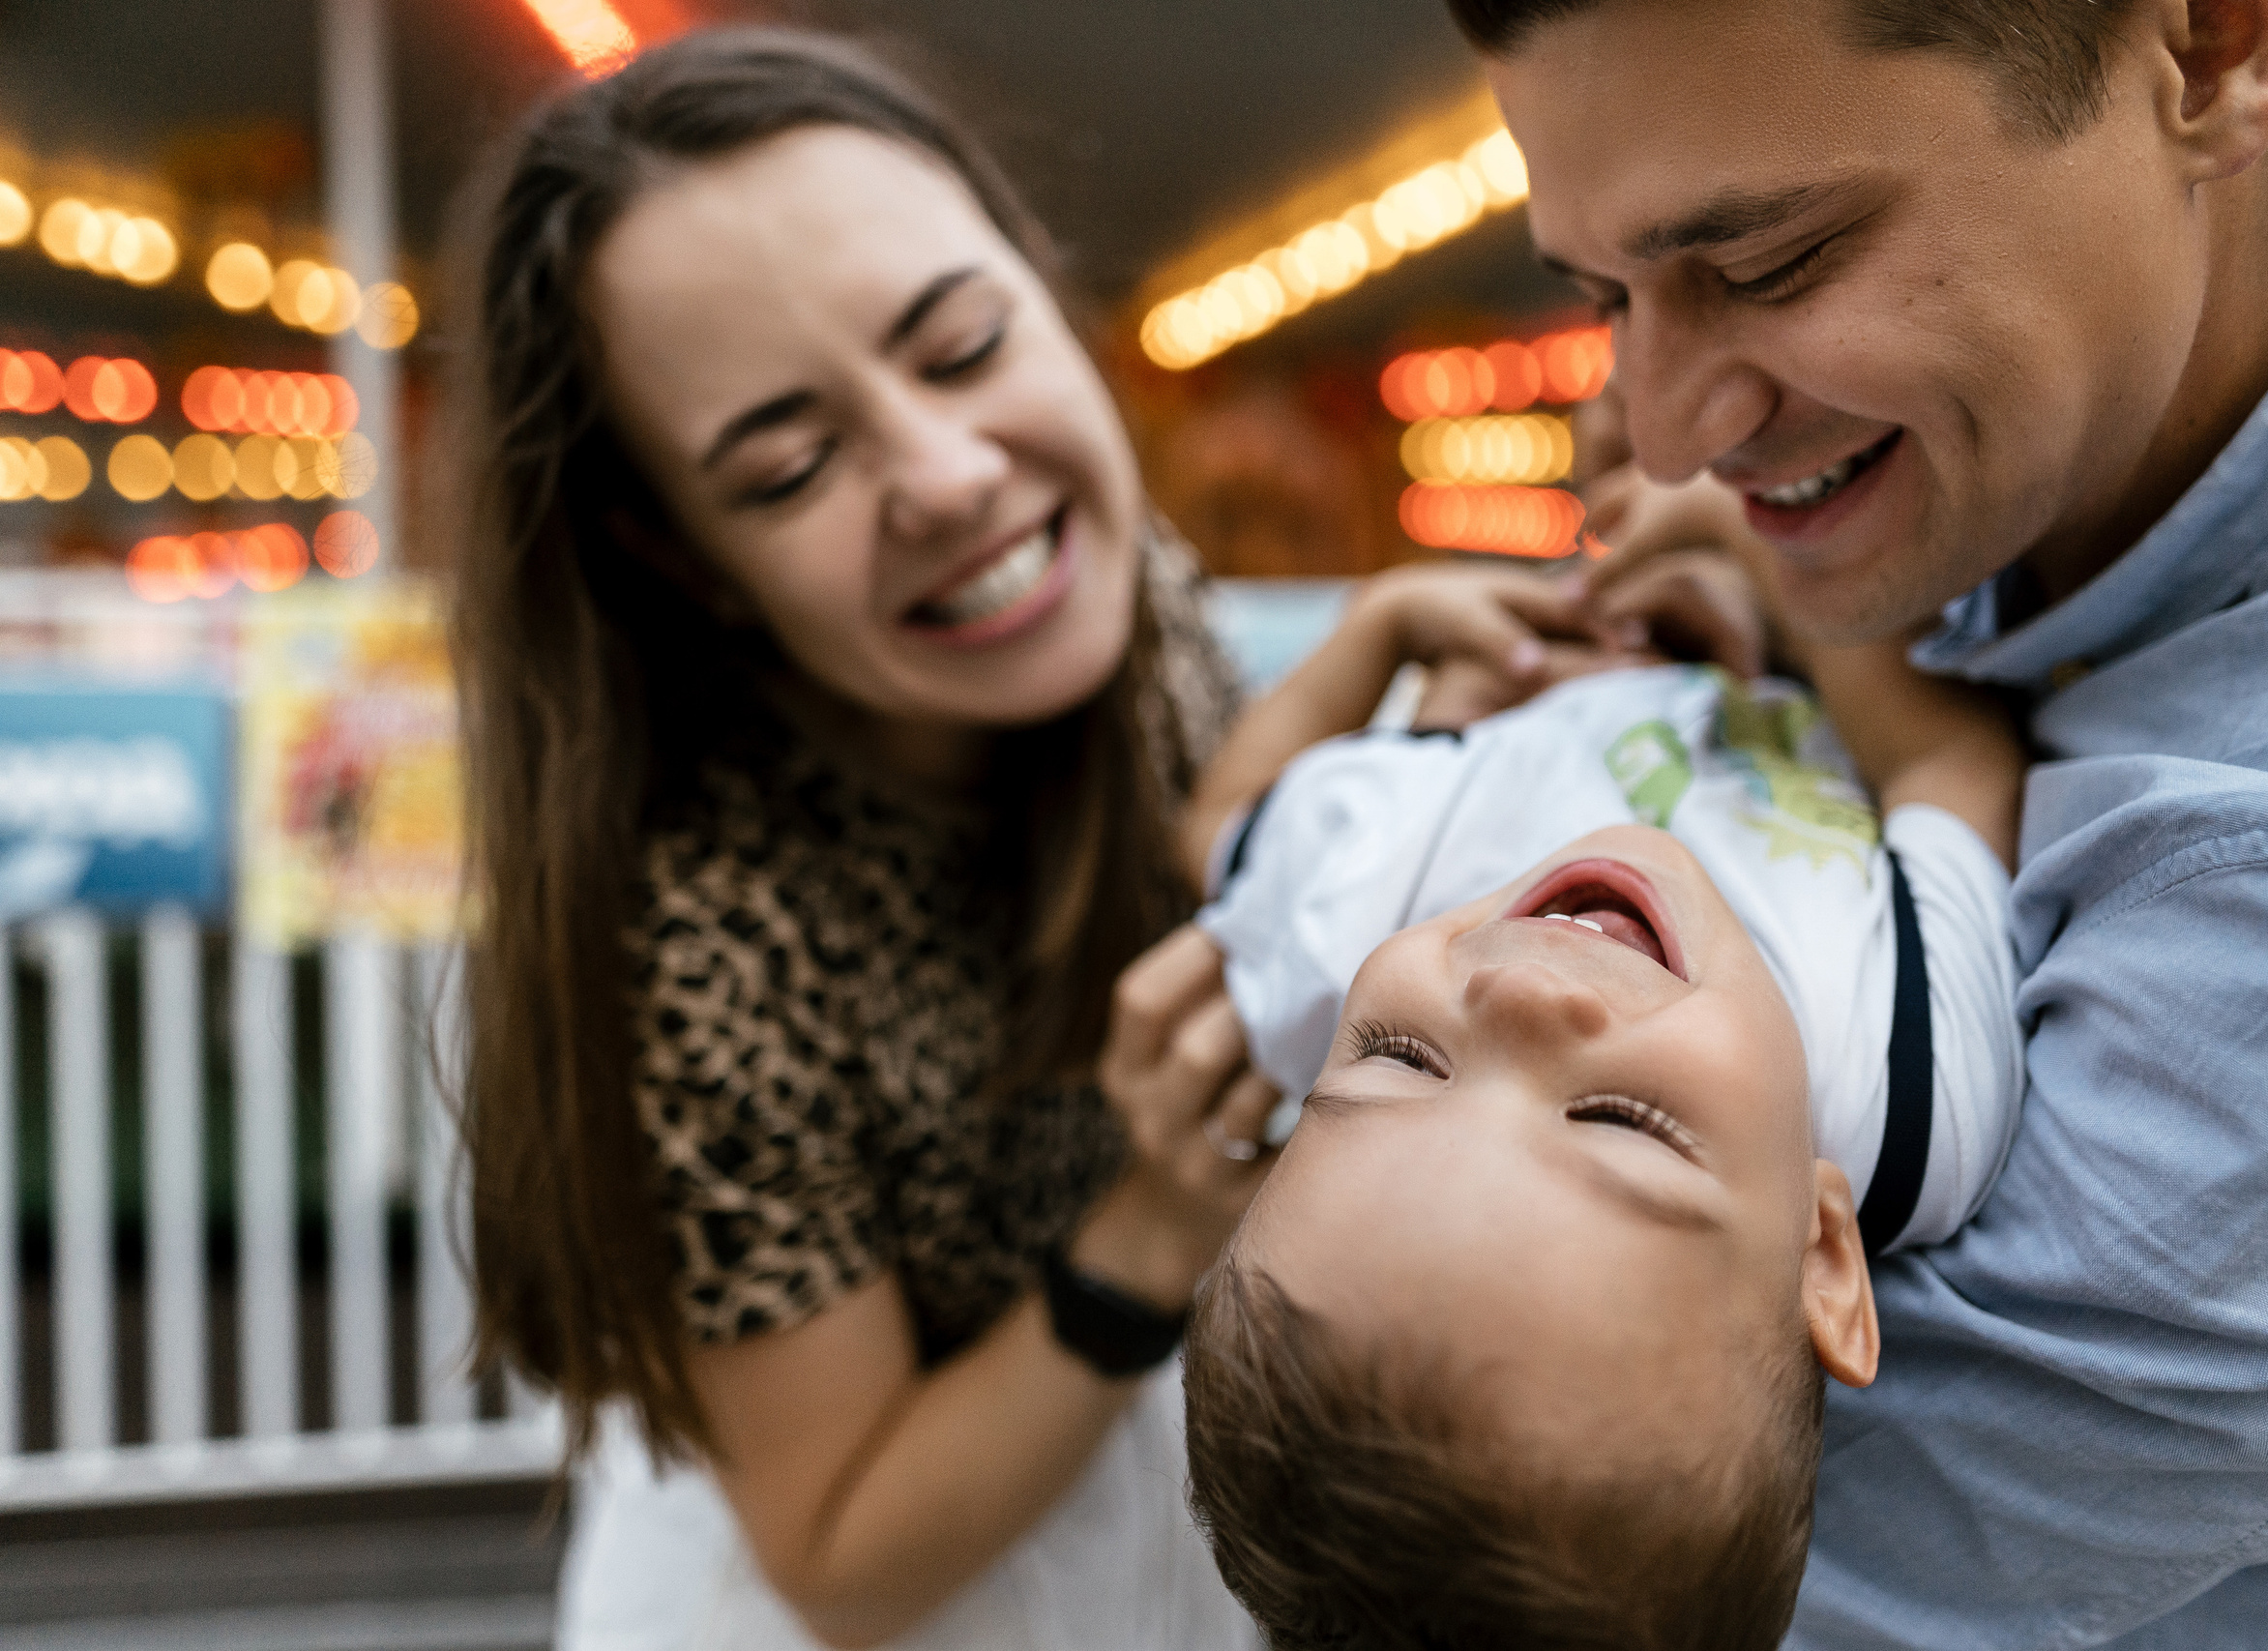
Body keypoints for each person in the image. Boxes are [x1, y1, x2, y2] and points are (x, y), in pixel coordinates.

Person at [442, 28, 1578, 1651]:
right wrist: (1158, 1224)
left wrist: (1377, 654)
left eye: (964, 343)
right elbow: (840, 1555)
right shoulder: (688, 927)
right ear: (677, 554)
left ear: (1046, 289)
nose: (951, 475)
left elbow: (1200, 852)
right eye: (788, 463)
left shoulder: (1110, 584)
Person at [1445, 0, 2268, 1644]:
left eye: (1772, 265)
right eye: (1605, 293)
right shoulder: (2068, 418)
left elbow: (1627, 1559)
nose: (1663, 432)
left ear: (2212, 51)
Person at [1174, 560, 2024, 1645]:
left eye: (1399, 1059)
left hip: (1560, 585)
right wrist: (1781, 581)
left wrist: (1378, 630)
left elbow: (1215, 831)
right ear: (1820, 1252)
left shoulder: (1334, 935)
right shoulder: (1903, 1099)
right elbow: (1947, 759)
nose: (1520, 993)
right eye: (1620, 1121)